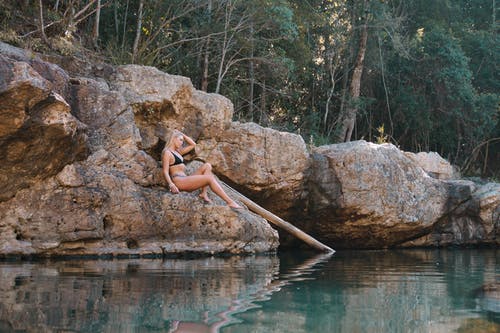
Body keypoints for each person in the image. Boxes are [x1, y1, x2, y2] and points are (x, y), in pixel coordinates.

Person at [162, 130, 242, 209]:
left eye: (182, 140)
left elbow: (193, 144)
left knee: (207, 165)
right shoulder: (167, 153)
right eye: (180, 140)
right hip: (179, 181)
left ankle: (204, 193)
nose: (182, 143)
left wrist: (181, 134)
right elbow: (165, 171)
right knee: (209, 178)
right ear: (173, 139)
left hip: (185, 179)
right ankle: (230, 202)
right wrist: (171, 185)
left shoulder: (178, 152)